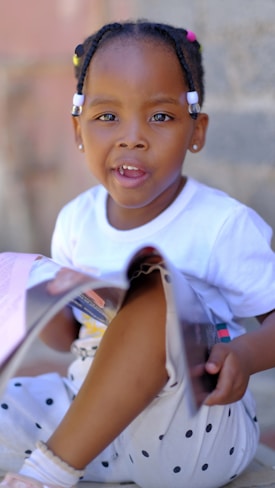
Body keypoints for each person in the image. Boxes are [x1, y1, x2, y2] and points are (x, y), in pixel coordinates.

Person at [1, 19, 275, 488]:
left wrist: (245, 355)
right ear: (78, 129)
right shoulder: (74, 220)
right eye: (107, 116)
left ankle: (45, 475)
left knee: (154, 292)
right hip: (90, 421)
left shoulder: (221, 225)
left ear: (196, 130)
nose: (132, 137)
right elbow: (67, 341)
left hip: (188, 430)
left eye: (161, 116)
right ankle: (69, 450)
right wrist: (56, 303)